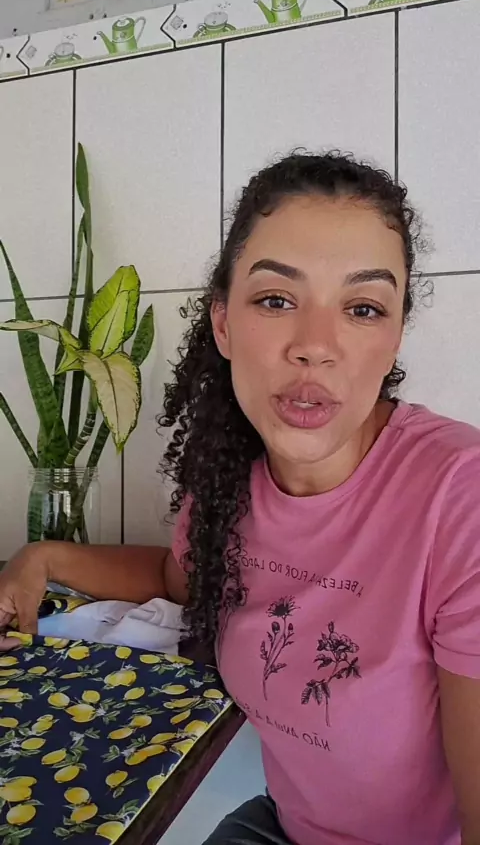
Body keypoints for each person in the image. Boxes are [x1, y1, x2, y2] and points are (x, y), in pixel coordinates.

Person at [0, 151, 479, 845]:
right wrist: (41, 559)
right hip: (281, 827)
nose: (315, 346)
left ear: (395, 335)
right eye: (277, 300)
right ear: (223, 324)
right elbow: (175, 577)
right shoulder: (229, 486)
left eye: (363, 308)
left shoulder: (459, 496)